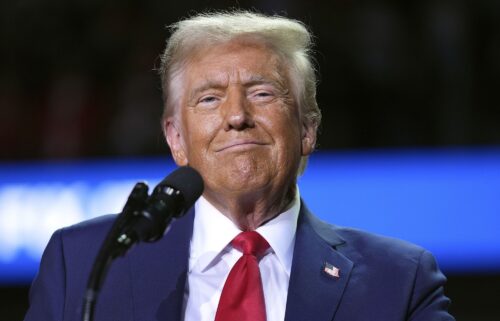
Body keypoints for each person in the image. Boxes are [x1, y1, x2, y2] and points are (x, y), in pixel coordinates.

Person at [24, 11, 455, 321]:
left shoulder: (399, 282)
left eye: (263, 93)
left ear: (307, 128)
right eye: (209, 98)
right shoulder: (84, 262)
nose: (236, 116)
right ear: (176, 139)